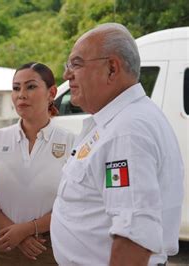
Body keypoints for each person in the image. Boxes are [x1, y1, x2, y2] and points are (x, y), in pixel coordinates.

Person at [51, 23, 184, 265]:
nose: (66, 74)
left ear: (112, 68)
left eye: (76, 64)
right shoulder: (118, 122)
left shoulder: (127, 131)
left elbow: (135, 235)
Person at [0, 62, 75, 265]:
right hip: (1, 246)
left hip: (50, 248)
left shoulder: (72, 142)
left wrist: (26, 231)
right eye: (16, 88)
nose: (21, 94)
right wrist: (16, 235)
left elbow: (73, 204)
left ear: (51, 92)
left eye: (31, 86)